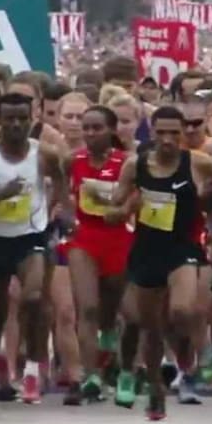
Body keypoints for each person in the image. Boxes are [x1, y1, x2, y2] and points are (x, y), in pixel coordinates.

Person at [104, 105, 212, 421]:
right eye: (162, 133)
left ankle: (189, 355)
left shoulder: (197, 163)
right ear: (152, 132)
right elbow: (115, 206)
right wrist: (121, 210)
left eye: (175, 132)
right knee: (150, 326)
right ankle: (156, 389)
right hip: (147, 249)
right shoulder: (136, 165)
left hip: (183, 248)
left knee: (182, 310)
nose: (169, 140)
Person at [0, 92, 70, 405]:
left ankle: (33, 372)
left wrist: (57, 209)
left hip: (31, 236)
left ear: (32, 118)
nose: (16, 124)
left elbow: (61, 184)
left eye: (23, 118)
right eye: (9, 118)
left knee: (34, 298)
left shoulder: (44, 155)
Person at [63, 106, 134, 405]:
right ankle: (90, 376)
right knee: (88, 307)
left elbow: (137, 195)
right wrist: (67, 216)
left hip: (119, 239)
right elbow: (58, 192)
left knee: (116, 309)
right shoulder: (72, 160)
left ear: (112, 130)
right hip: (85, 239)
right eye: (86, 127)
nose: (90, 133)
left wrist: (124, 210)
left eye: (97, 128)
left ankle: (114, 352)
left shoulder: (127, 162)